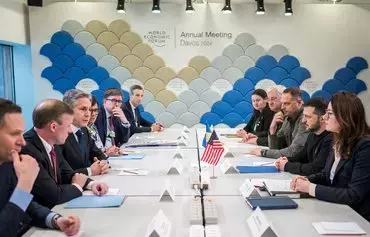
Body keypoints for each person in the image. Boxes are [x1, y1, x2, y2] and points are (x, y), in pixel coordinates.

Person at [0, 99, 80, 237]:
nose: (22, 141)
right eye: (14, 134)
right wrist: (24, 185)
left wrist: (55, 219)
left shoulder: (7, 163)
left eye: (21, 133)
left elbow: (27, 205)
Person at [291, 92, 370, 221]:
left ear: (345, 116)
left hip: (358, 219)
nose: (324, 118)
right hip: (337, 211)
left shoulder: (365, 146)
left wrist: (310, 188)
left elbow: (353, 195)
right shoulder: (337, 138)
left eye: (330, 113)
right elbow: (327, 175)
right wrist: (307, 179)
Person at [22, 99, 109, 208]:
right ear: (53, 127)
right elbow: (55, 195)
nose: (70, 131)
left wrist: (92, 184)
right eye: (68, 125)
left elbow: (67, 174)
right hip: (37, 218)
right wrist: (77, 186)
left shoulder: (52, 142)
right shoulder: (28, 149)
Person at [275, 98, 332, 175]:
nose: (303, 121)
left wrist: (287, 166)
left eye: (308, 117)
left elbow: (316, 168)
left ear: (322, 118)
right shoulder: (311, 135)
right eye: (303, 116)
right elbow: (302, 156)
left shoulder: (330, 139)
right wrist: (287, 160)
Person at [249, 87, 309, 158]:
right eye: (282, 103)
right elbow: (276, 148)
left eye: (286, 103)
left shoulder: (305, 119)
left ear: (299, 103)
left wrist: (264, 152)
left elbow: (294, 151)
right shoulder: (287, 117)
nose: (282, 107)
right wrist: (272, 128)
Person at [60, 89, 110, 175]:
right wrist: (89, 171)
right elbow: (61, 173)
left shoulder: (84, 129)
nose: (88, 114)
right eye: (83, 109)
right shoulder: (59, 134)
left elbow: (97, 153)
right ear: (68, 110)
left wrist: (103, 163)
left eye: (89, 109)